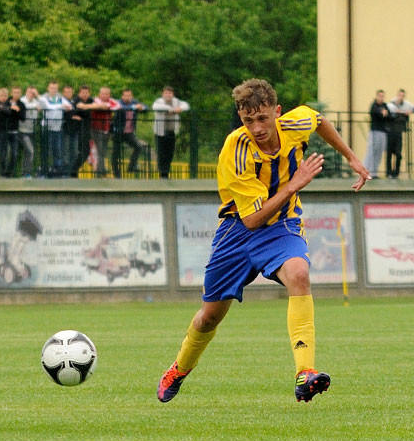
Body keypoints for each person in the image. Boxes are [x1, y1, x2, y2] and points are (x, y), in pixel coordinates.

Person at [156, 78, 370, 405]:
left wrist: (352, 158)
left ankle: (305, 373)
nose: (256, 128)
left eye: (262, 118)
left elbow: (320, 121)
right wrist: (293, 185)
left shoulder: (294, 123)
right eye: (248, 121)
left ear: (276, 112)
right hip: (237, 233)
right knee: (209, 316)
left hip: (281, 226)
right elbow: (252, 219)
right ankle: (180, 368)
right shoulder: (236, 150)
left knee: (299, 274)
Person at [152, 86, 189, 179]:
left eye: (170, 93)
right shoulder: (159, 101)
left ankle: (166, 173)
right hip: (160, 132)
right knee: (161, 153)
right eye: (166, 93)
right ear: (163, 94)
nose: (168, 95)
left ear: (172, 94)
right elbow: (155, 107)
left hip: (171, 131)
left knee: (169, 153)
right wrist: (170, 109)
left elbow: (186, 106)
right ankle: (162, 174)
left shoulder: (176, 101)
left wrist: (179, 109)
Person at [39, 81, 71, 177]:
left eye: (55, 88)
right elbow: (42, 107)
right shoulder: (44, 97)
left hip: (57, 128)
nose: (54, 90)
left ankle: (57, 171)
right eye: (52, 88)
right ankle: (44, 170)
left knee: (57, 150)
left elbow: (69, 107)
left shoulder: (60, 98)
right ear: (48, 88)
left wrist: (63, 107)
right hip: (47, 127)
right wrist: (59, 107)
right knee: (46, 150)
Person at [113, 89, 146, 177]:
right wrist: (134, 107)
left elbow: (145, 107)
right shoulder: (118, 102)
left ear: (131, 96)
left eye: (129, 95)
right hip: (118, 131)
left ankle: (131, 166)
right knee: (116, 153)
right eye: (125, 95)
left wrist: (141, 107)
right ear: (122, 96)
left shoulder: (134, 102)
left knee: (138, 147)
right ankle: (116, 173)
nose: (127, 97)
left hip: (129, 132)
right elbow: (121, 108)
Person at [89, 87, 120, 177]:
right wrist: (105, 106)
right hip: (96, 129)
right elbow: (98, 105)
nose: (105, 95)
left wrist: (107, 106)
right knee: (100, 151)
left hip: (106, 130)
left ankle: (100, 171)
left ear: (109, 95)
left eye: (107, 94)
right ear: (99, 94)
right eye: (103, 93)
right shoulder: (96, 100)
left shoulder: (111, 101)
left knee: (103, 151)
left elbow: (117, 106)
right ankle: (101, 171)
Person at [363, 89, 390, 179]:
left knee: (379, 152)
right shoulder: (374, 105)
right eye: (380, 96)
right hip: (375, 131)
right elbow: (376, 113)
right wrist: (382, 113)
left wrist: (384, 113)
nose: (381, 98)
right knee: (372, 151)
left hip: (383, 132)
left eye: (383, 96)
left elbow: (388, 115)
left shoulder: (385, 105)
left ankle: (374, 172)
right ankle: (366, 170)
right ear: (377, 96)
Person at [386, 89, 412, 179]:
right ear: (397, 95)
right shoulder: (390, 105)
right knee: (389, 153)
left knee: (398, 154)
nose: (401, 97)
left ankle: (396, 173)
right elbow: (387, 112)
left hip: (399, 132)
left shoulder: (406, 105)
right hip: (390, 132)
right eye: (400, 95)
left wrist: (409, 112)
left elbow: (411, 109)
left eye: (402, 96)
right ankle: (389, 172)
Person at [70, 85, 96, 178]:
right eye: (83, 93)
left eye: (87, 93)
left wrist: (85, 107)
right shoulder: (75, 100)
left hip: (86, 130)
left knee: (85, 151)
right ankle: (72, 170)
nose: (85, 95)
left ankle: (73, 170)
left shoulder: (91, 100)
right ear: (79, 93)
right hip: (75, 130)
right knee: (76, 151)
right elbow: (73, 109)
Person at [19, 86, 40, 178]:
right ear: (26, 92)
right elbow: (24, 107)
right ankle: (26, 173)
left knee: (28, 152)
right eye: (29, 92)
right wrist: (35, 106)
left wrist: (38, 97)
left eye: (33, 93)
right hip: (22, 130)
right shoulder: (22, 100)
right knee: (30, 151)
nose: (31, 94)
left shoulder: (36, 101)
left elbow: (43, 105)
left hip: (31, 130)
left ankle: (25, 172)